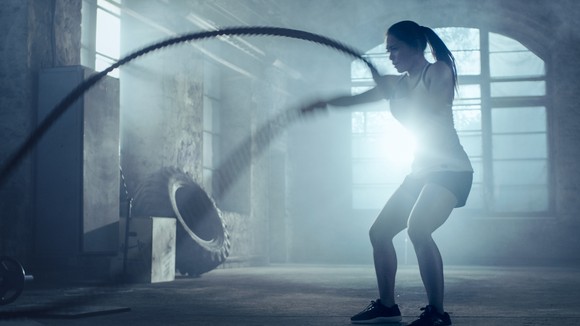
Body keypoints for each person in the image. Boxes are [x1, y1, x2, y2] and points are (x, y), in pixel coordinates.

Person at [302, 20, 473, 326]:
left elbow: (431, 108)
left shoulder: (438, 71)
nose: (391, 56)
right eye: (388, 50)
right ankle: (387, 306)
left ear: (415, 47)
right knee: (379, 233)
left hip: (451, 171)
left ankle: (437, 313)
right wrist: (324, 103)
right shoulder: (395, 84)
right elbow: (353, 100)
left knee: (418, 229)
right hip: (421, 172)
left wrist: (394, 94)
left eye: (395, 49)